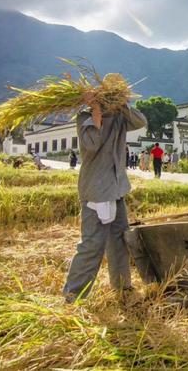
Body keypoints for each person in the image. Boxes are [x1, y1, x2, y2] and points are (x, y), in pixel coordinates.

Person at [63, 92, 147, 302]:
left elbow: (141, 121)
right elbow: (91, 144)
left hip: (117, 188)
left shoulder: (120, 117)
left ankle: (122, 287)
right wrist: (96, 110)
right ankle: (73, 295)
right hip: (96, 189)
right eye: (108, 98)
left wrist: (122, 105)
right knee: (92, 244)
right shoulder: (84, 117)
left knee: (119, 239)